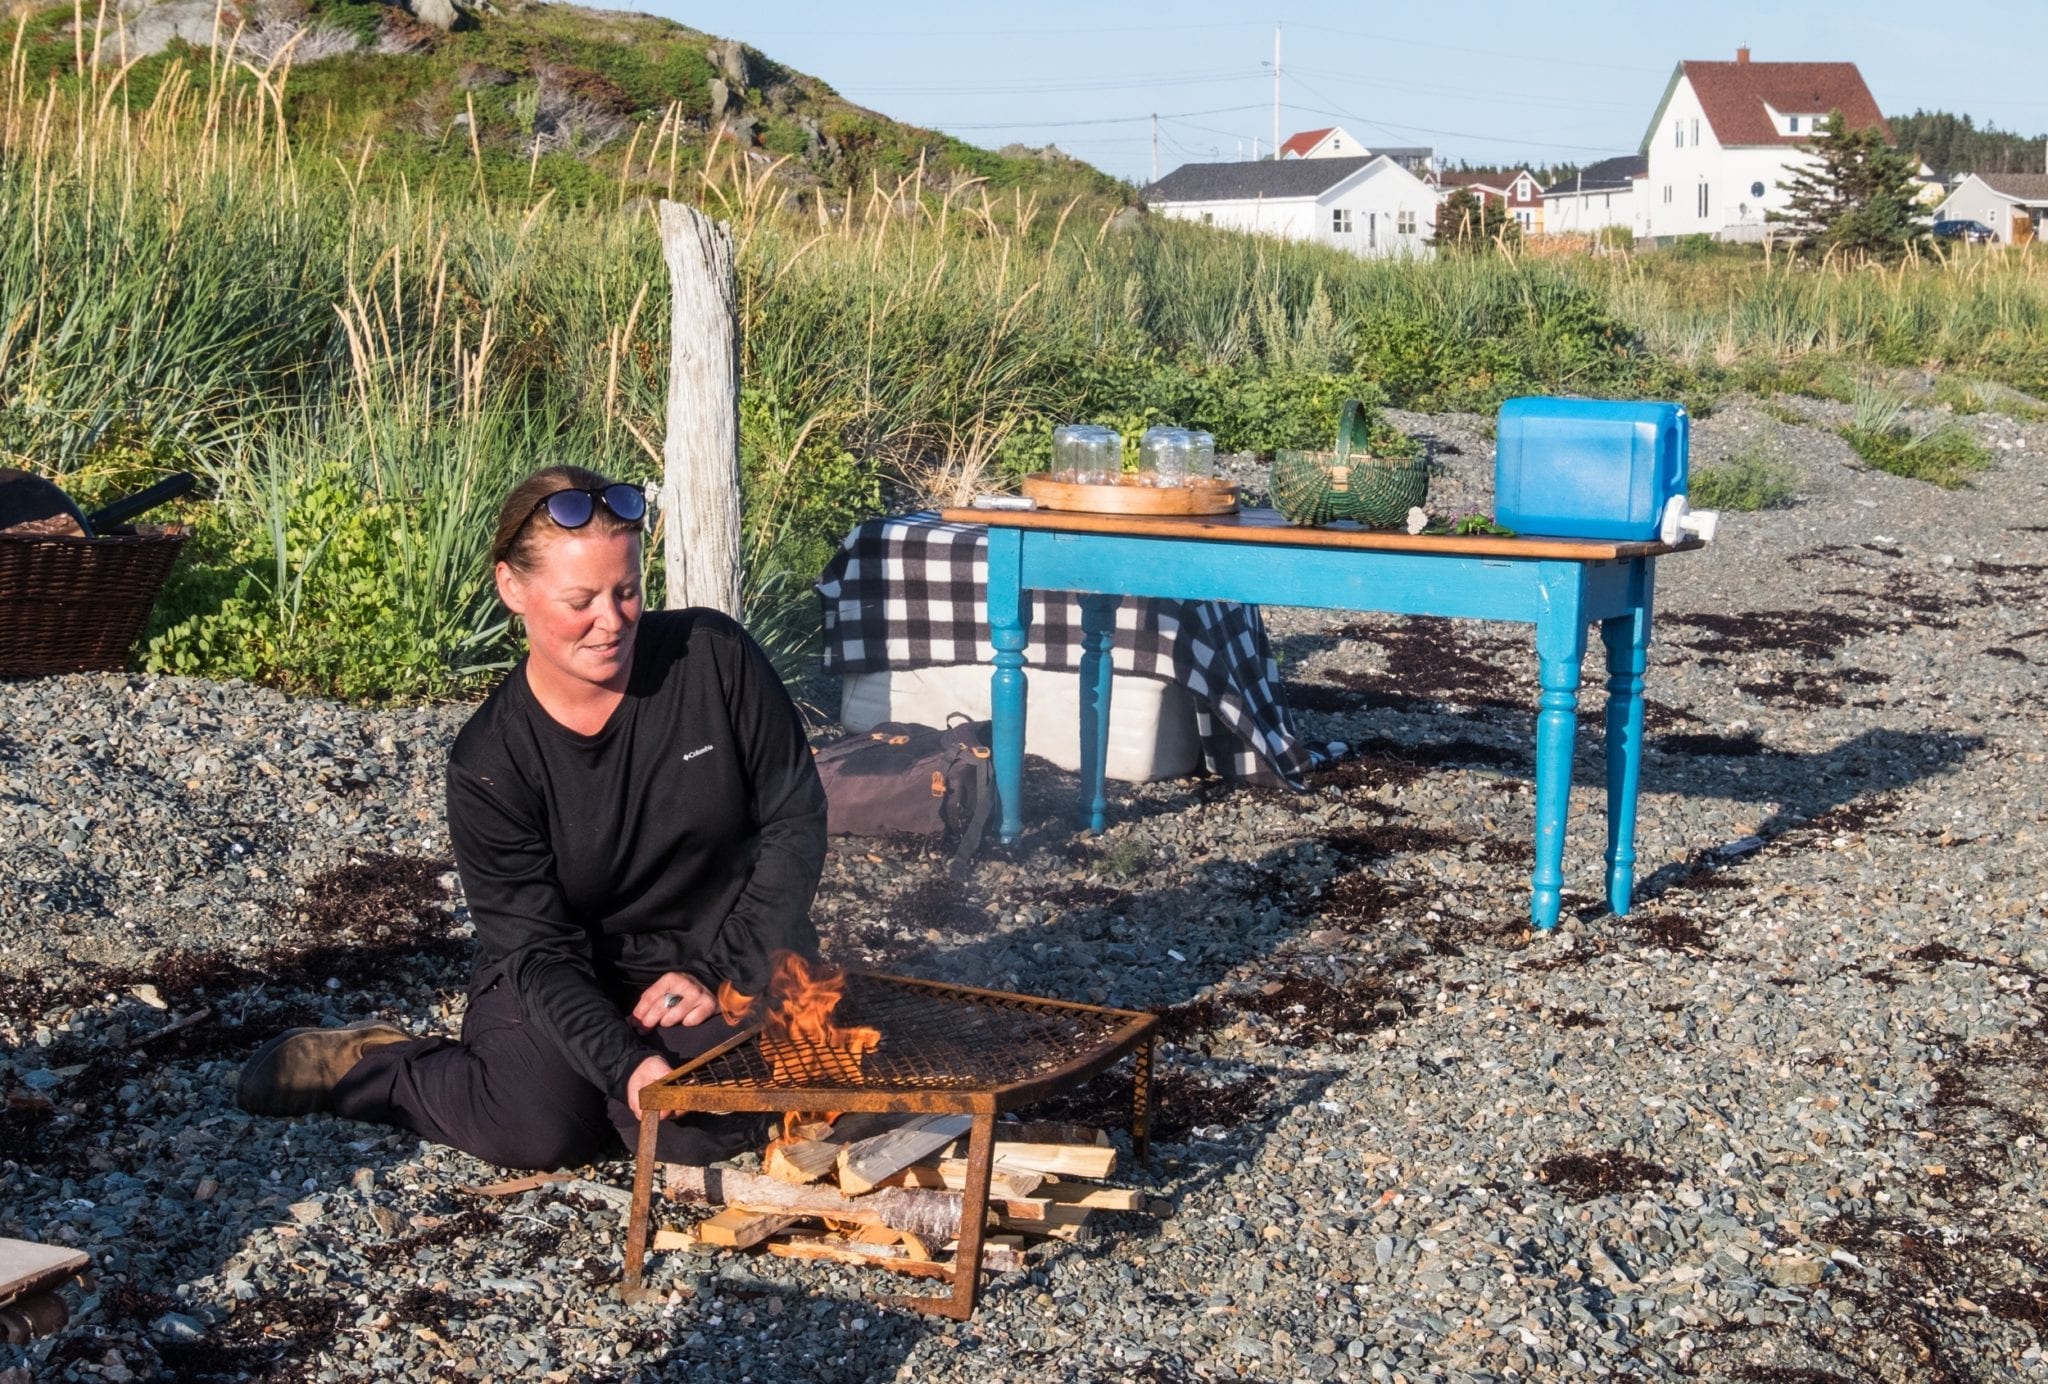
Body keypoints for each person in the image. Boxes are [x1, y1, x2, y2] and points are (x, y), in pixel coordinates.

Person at [235, 465, 828, 1169]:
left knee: (683, 1129)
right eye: (581, 600)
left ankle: (612, 1098)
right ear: (512, 588)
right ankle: (382, 1064)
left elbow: (796, 818)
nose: (612, 621)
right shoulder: (491, 760)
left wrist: (721, 968)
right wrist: (622, 1064)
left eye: (628, 591)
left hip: (715, 959)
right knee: (533, 1131)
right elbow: (535, 950)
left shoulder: (714, 657)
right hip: (566, 971)